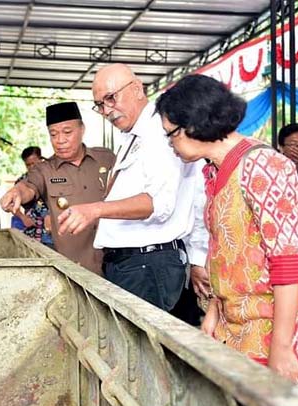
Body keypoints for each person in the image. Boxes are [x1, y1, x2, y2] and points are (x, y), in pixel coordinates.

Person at [156, 74, 298, 387]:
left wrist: (280, 348)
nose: (170, 143)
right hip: (241, 315)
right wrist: (214, 309)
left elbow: (288, 261)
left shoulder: (264, 165)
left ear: (194, 123)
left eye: (170, 134)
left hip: (280, 323)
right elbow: (226, 251)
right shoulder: (214, 169)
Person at [57, 63, 207, 312]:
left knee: (141, 347)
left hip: (148, 265)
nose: (106, 110)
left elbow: (158, 204)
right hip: (133, 264)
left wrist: (95, 210)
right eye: (100, 104)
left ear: (137, 88)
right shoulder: (132, 136)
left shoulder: (160, 132)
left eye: (111, 98)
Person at [0, 102, 115, 275]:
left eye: (67, 132)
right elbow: (29, 187)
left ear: (82, 129)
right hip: (77, 271)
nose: (60, 140)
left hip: (118, 265)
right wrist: (16, 192)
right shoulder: (44, 169)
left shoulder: (107, 159)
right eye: (53, 134)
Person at [10, 146, 54, 247]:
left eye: (34, 163)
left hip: (52, 230)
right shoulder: (21, 182)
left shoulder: (53, 178)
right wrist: (23, 218)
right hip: (31, 229)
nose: (31, 167)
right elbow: (11, 205)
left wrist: (52, 214)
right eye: (28, 165)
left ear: (41, 160)